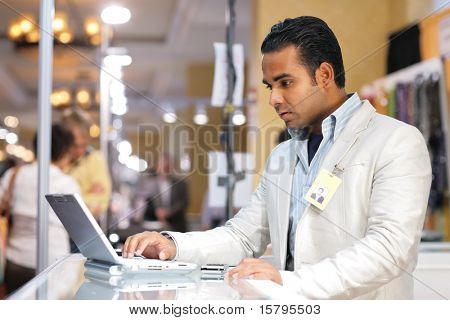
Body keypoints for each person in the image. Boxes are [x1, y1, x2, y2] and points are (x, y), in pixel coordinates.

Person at [123, 16, 431, 299]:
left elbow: (390, 250)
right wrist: (174, 245)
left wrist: (290, 283)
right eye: (271, 86)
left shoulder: (396, 141)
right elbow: (242, 236)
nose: (274, 98)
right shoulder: (284, 154)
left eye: (286, 83)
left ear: (324, 75)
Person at [1, 124, 80, 293]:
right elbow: (77, 227)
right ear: (65, 152)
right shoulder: (67, 183)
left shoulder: (14, 175)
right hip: (54, 262)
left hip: (15, 260)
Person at [60, 110, 111, 220]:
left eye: (84, 145)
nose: (80, 151)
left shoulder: (95, 158)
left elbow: (102, 199)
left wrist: (69, 202)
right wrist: (87, 196)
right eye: (74, 145)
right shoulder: (55, 160)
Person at [133, 154, 189, 232]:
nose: (165, 168)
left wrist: (168, 213)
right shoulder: (148, 184)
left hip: (177, 226)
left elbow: (183, 203)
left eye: (168, 166)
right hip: (155, 227)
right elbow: (143, 202)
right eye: (163, 166)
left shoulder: (181, 184)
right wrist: (157, 212)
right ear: (158, 166)